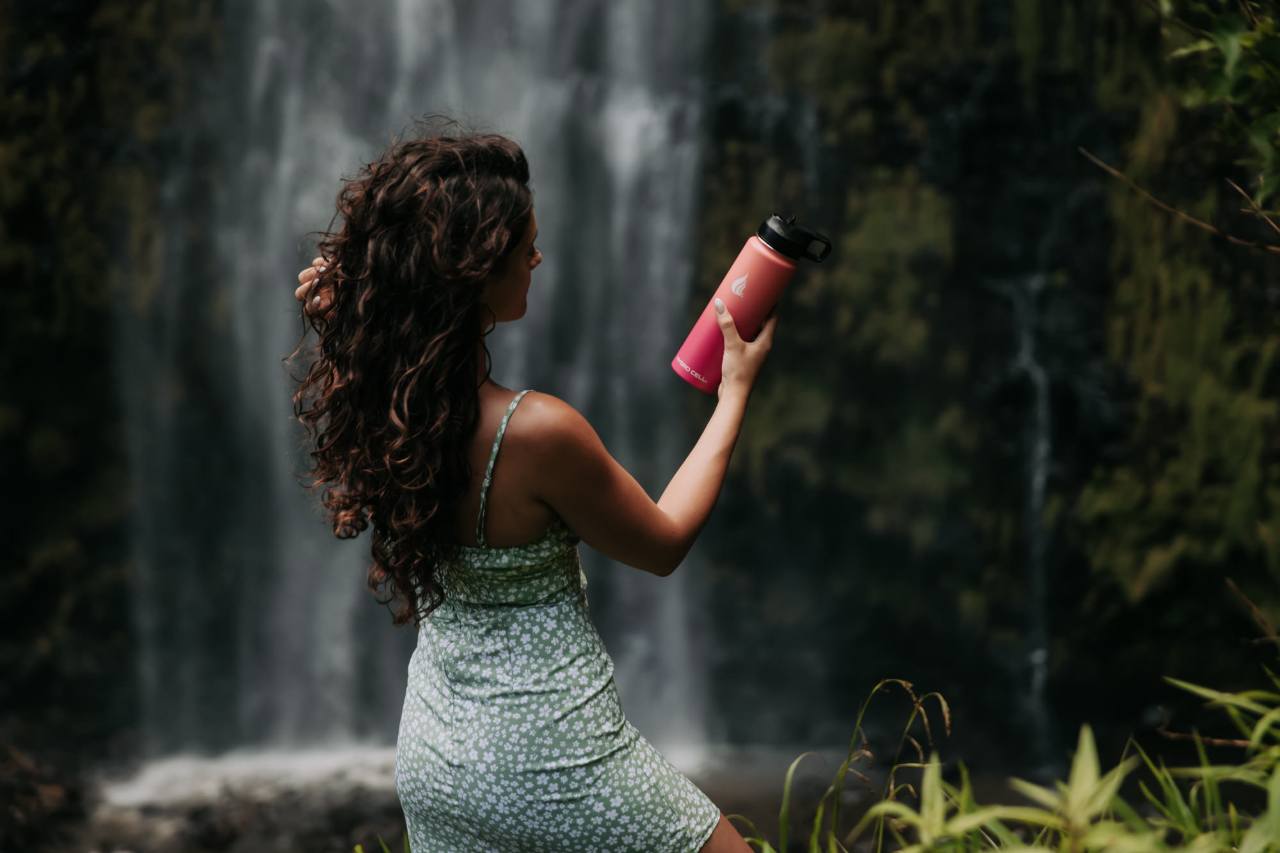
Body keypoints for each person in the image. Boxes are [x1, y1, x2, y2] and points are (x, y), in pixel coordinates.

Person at [290, 117, 776, 852]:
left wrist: (348, 287)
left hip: (437, 758)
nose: (538, 257)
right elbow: (664, 541)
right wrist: (735, 392)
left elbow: (350, 303)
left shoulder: (378, 397)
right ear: (473, 271)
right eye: (524, 249)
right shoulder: (535, 431)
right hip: (554, 760)